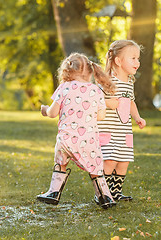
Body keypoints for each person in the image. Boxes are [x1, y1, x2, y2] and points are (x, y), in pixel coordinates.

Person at [37, 52, 117, 209]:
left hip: (66, 140)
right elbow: (100, 116)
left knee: (61, 163)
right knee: (95, 168)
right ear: (89, 71)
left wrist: (45, 110)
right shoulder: (96, 90)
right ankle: (105, 196)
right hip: (89, 140)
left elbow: (53, 113)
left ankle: (54, 193)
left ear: (67, 71)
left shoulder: (64, 88)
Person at [98, 40, 146, 202]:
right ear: (118, 61)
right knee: (110, 161)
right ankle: (102, 193)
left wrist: (137, 117)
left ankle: (115, 192)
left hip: (124, 130)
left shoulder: (129, 82)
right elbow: (94, 100)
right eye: (133, 58)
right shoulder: (107, 82)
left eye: (138, 59)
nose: (137, 62)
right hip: (108, 130)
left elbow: (131, 102)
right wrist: (106, 103)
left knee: (123, 161)